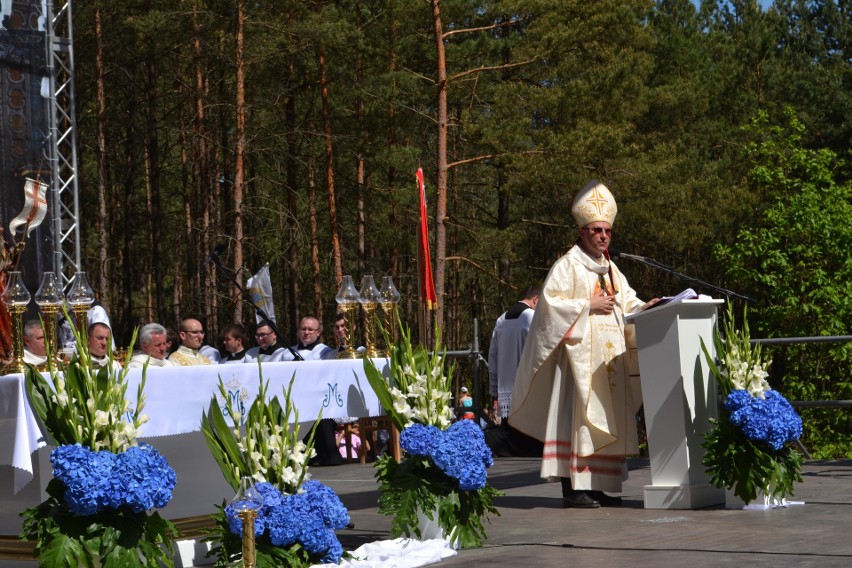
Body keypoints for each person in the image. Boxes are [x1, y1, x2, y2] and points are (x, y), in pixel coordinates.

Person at [509, 180, 659, 509]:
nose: (603, 236)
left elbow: (628, 304)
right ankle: (574, 487)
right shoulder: (568, 266)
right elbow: (548, 308)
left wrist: (649, 308)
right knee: (578, 425)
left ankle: (601, 485)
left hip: (608, 364)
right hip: (577, 362)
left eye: (607, 231)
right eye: (596, 230)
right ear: (582, 232)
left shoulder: (613, 270)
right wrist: (586, 306)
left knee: (606, 422)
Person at [488, 284, 541, 420]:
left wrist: (495, 389)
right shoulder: (532, 317)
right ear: (536, 299)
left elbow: (493, 353)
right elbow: (540, 349)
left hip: (505, 388)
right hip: (527, 389)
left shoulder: (502, 318)